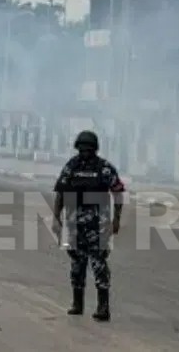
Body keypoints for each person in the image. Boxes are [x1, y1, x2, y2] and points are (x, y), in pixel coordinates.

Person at [52, 130, 125, 322]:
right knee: (77, 264)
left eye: (88, 149)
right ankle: (77, 303)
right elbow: (60, 191)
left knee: (99, 264)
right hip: (73, 222)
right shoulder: (72, 166)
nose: (85, 153)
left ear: (94, 149)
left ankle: (103, 307)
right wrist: (55, 217)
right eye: (82, 149)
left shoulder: (104, 168)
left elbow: (117, 193)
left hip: (98, 224)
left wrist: (117, 219)